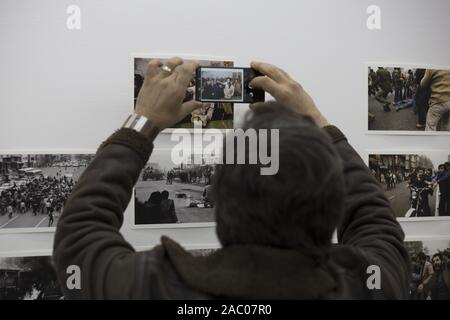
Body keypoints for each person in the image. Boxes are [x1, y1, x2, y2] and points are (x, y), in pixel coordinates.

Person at [53, 58, 410, 299]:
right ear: (333, 208)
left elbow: (80, 233)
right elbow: (374, 218)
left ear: (220, 203)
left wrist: (143, 120)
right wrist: (316, 119)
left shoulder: (149, 285)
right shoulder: (368, 285)